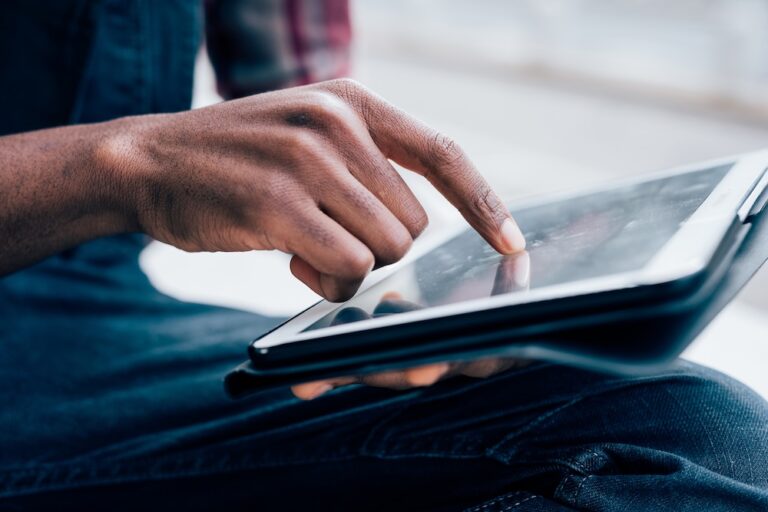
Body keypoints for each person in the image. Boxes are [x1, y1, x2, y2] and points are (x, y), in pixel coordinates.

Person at [0, 1, 766, 510]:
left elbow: (292, 100)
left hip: (102, 301)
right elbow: (150, 155)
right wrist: (120, 164)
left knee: (676, 420)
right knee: (664, 440)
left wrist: (391, 284)